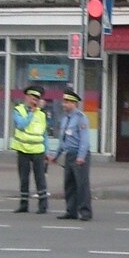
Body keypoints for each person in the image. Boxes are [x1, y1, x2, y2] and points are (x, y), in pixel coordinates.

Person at [48, 89, 92, 221]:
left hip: (79, 155)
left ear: (74, 103)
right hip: (69, 155)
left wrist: (81, 156)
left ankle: (85, 212)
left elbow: (84, 140)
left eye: (67, 102)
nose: (64, 104)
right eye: (64, 101)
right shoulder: (65, 119)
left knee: (82, 185)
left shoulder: (80, 118)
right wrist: (56, 156)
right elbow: (63, 141)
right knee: (69, 185)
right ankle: (71, 211)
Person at [11, 85, 48, 214]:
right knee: (24, 178)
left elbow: (44, 133)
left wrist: (47, 151)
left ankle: (43, 205)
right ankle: (24, 204)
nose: (34, 102)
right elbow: (22, 125)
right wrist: (31, 113)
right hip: (23, 150)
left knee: (40, 178)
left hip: (38, 150)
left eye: (36, 99)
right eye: (32, 98)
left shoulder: (41, 114)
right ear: (26, 97)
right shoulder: (18, 110)